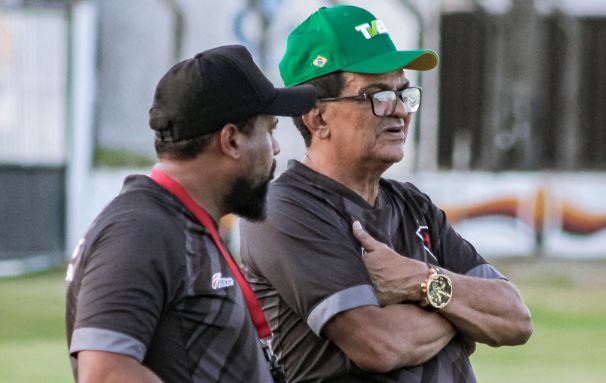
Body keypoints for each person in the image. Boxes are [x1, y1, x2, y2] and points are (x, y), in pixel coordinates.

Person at [239, 5, 532, 382]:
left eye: (404, 93)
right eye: (376, 96)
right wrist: (462, 315)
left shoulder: (414, 204)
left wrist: (419, 281)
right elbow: (379, 344)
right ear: (318, 117)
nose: (399, 111)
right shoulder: (284, 208)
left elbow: (514, 318)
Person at [65, 45, 316, 383]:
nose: (276, 147)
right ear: (231, 141)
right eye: (268, 130)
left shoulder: (176, 222)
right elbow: (105, 373)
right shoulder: (142, 229)